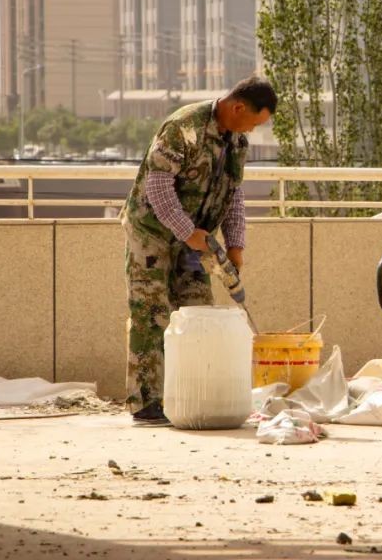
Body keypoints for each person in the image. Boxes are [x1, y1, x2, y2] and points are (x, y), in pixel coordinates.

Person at [118, 75, 277, 425]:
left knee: (197, 312)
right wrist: (186, 231)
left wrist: (235, 245)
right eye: (253, 122)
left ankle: (188, 394)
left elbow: (234, 195)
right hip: (153, 233)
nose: (252, 130)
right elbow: (158, 188)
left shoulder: (236, 142)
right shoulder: (182, 128)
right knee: (152, 312)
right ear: (237, 107)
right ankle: (146, 403)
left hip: (196, 240)